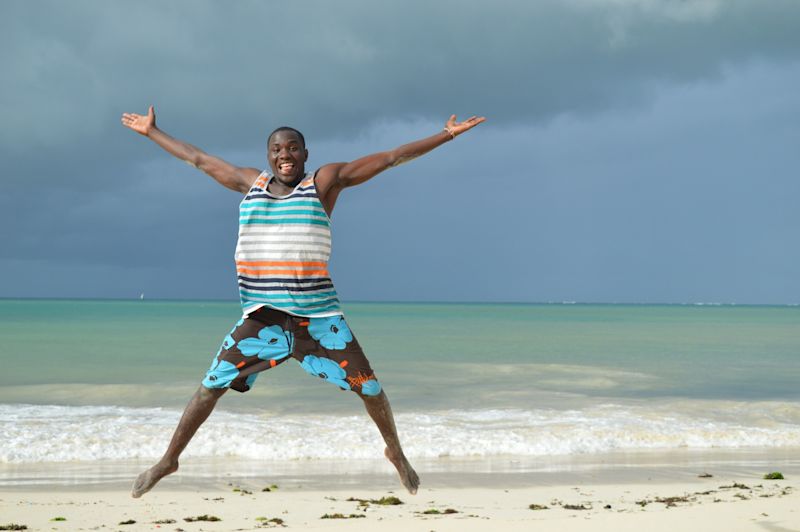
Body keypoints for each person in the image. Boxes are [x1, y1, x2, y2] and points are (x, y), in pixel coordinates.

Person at [120, 106, 485, 498]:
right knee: (211, 386)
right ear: (268, 156)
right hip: (264, 320)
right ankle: (169, 460)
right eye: (277, 149)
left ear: (305, 155)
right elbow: (198, 159)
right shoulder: (251, 184)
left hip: (319, 318)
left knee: (370, 388)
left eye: (293, 148)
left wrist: (445, 135)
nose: (285, 156)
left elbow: (391, 157)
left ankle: (394, 451)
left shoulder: (323, 183)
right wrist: (152, 132)